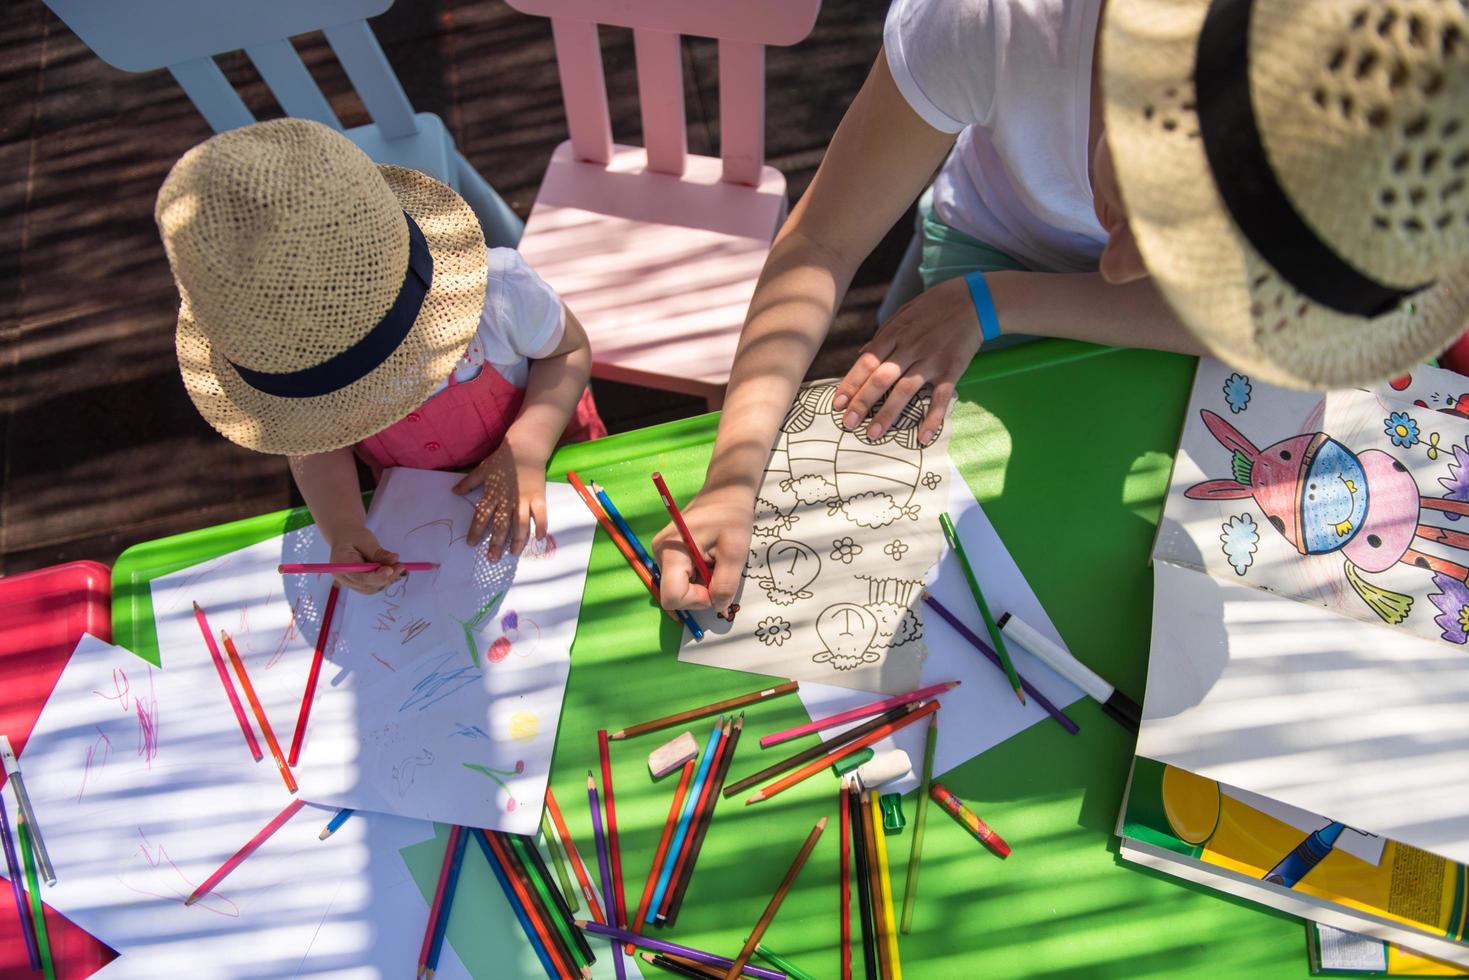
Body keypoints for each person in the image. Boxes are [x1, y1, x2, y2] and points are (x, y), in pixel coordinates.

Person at [654, 0, 1469, 612]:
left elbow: (1245, 330)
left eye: (1178, 254)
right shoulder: (995, 19)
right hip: (986, 247)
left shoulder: (1397, 114)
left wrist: (1008, 303)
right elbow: (820, 244)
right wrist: (733, 477)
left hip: (1009, 292)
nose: (1116, 266)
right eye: (1143, 214)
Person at [156, 118, 605, 595]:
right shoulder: (293, 357)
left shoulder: (496, 295)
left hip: (551, 451)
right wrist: (343, 527)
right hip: (415, 506)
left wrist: (528, 449)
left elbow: (569, 351)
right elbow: (314, 445)